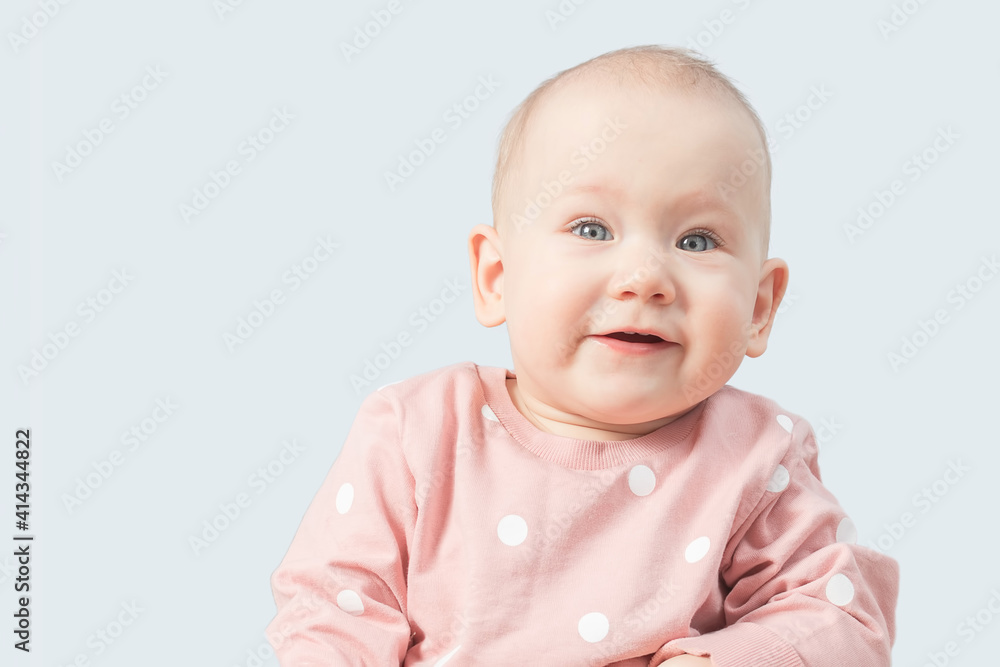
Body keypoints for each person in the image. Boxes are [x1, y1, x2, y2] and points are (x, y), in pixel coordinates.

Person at [266, 45, 899, 666]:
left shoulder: (754, 457)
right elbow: (332, 610)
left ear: (760, 307)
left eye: (697, 239)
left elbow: (842, 618)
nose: (645, 276)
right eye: (592, 229)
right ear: (496, 276)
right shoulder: (418, 431)